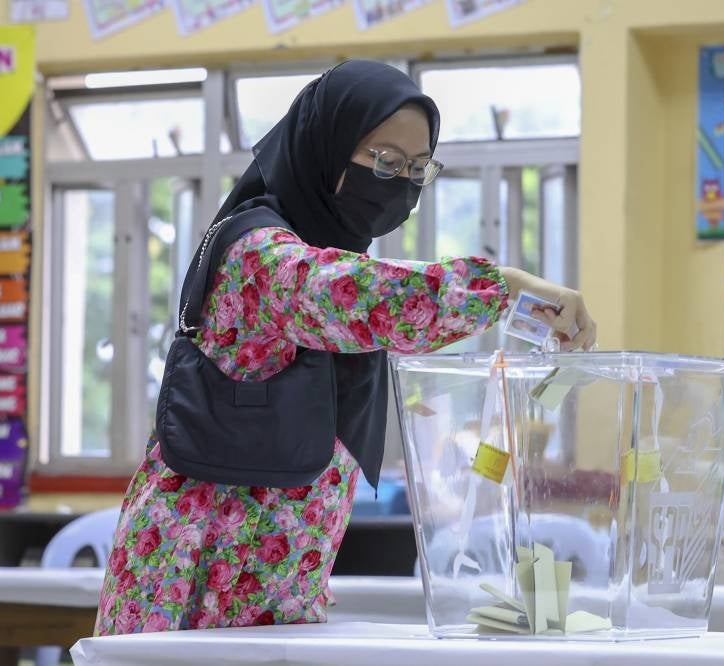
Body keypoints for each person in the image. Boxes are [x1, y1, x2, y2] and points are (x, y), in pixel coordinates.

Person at [94, 60, 596, 636]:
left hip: (272, 593)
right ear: (326, 146)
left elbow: (367, 293)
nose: (398, 182)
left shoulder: (326, 254)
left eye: (415, 168)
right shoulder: (258, 250)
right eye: (383, 160)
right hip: (194, 580)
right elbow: (347, 296)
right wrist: (503, 287)